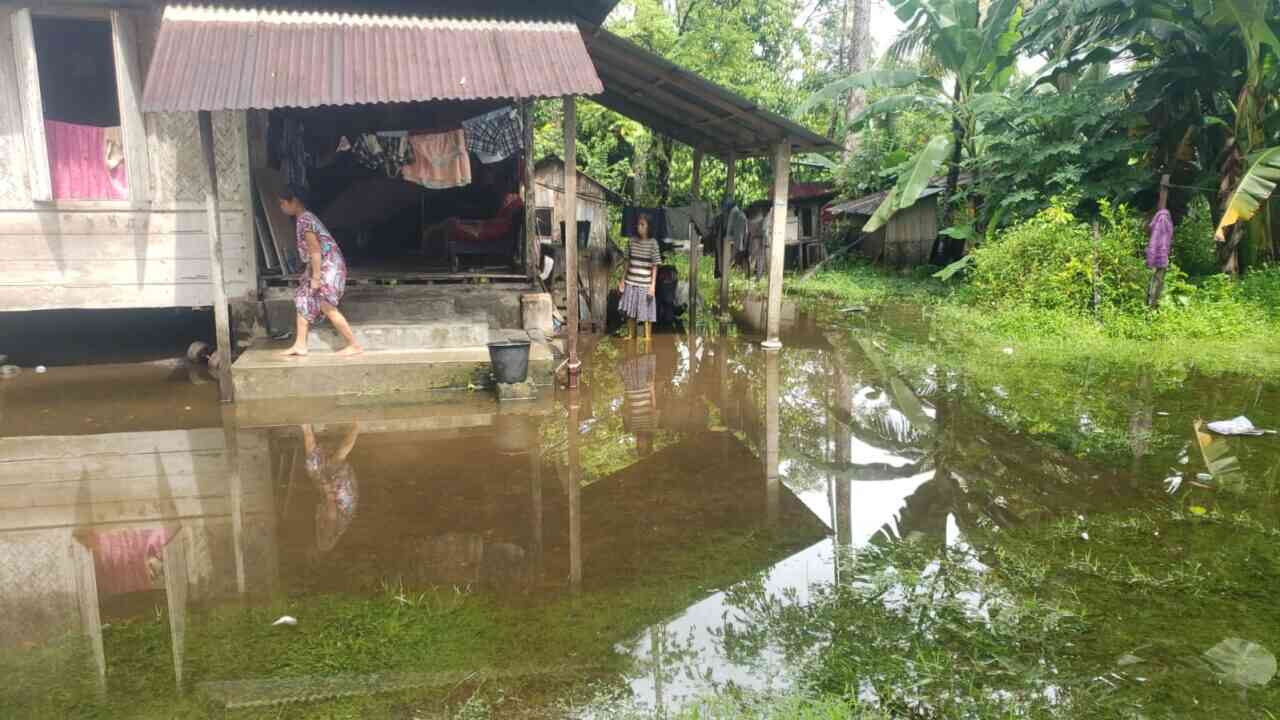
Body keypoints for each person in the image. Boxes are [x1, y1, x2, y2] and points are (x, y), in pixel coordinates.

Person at [277, 185, 362, 357]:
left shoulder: (306, 220)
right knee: (303, 299)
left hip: (329, 267)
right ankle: (300, 345)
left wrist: (316, 278)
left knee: (326, 304)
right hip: (320, 266)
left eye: (283, 203)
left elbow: (315, 250)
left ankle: (354, 345)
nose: (281, 207)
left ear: (293, 201)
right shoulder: (303, 218)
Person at [303, 423, 360, 554]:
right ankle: (356, 426)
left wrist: (323, 485)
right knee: (331, 464)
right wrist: (326, 486)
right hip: (343, 500)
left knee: (315, 468)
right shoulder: (326, 532)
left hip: (340, 501)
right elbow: (331, 507)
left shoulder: (323, 532)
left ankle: (306, 428)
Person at [618, 213, 660, 340]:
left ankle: (647, 338)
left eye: (642, 225)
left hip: (645, 284)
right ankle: (631, 335)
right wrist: (622, 280)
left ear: (649, 227)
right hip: (631, 282)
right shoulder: (631, 241)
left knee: (646, 313)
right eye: (638, 224)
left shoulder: (653, 243)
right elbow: (627, 262)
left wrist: (652, 286)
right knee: (630, 311)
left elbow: (655, 266)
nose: (639, 227)